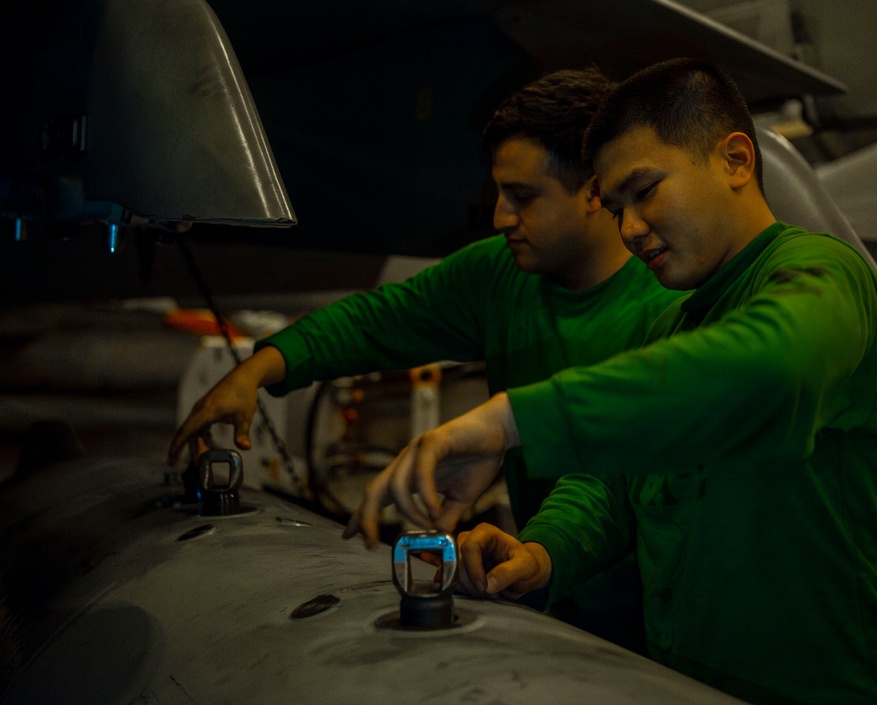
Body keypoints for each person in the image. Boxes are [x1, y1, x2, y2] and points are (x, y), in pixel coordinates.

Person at [344, 58, 877, 705]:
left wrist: (513, 419)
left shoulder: (826, 278)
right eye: (616, 205)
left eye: (644, 190)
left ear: (736, 160)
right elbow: (618, 482)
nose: (627, 227)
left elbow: (760, 368)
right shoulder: (679, 318)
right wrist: (541, 553)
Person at [168, 68, 681, 648]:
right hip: (552, 587)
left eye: (523, 197)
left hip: (656, 616)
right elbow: (379, 320)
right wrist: (257, 370)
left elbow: (616, 477)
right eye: (498, 193)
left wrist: (512, 455)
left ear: (594, 190)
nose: (500, 217)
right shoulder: (500, 274)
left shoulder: (667, 303)